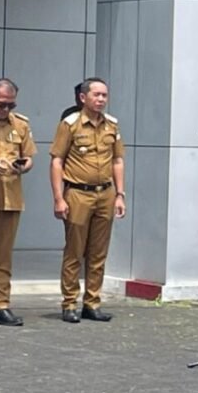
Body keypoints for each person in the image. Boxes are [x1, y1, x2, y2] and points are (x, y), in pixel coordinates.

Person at [50, 77, 126, 323]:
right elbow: (57, 161)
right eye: (97, 95)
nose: (101, 99)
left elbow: (117, 160)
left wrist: (120, 194)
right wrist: (58, 198)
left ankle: (92, 303)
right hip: (78, 194)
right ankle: (69, 303)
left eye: (104, 95)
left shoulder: (112, 125)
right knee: (75, 251)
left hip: (105, 193)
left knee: (98, 252)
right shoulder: (70, 124)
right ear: (83, 97)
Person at [0, 79, 36, 326]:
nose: (6, 109)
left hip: (10, 200)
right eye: (1, 104)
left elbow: (29, 156)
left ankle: (0, 306)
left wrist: (22, 166)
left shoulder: (20, 125)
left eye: (11, 105)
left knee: (3, 257)